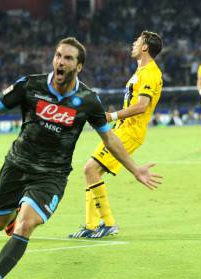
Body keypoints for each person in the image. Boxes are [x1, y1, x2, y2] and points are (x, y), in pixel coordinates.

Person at [0, 37, 162, 279]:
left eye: (68, 58)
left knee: (26, 225)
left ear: (79, 66)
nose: (61, 61)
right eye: (58, 56)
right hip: (16, 165)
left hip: (51, 176)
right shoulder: (30, 85)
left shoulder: (88, 100)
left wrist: (135, 170)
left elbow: (109, 139)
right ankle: (12, 216)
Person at [69, 31, 163, 239]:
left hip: (130, 130)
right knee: (91, 172)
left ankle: (108, 224)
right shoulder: (140, 71)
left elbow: (141, 106)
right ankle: (91, 225)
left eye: (138, 41)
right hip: (123, 128)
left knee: (90, 168)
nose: (134, 44)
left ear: (145, 47)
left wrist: (111, 115)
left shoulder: (150, 73)